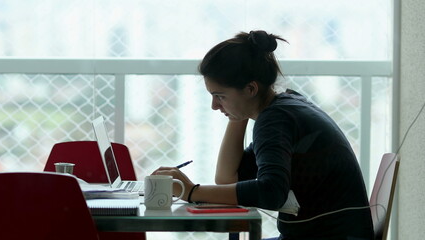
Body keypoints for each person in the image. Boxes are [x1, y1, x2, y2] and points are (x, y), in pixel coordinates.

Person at [152, 30, 374, 240]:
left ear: (250, 89)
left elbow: (271, 192)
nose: (214, 105)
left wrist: (192, 192)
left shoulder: (275, 120)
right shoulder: (284, 106)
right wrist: (237, 114)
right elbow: (229, 177)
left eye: (220, 96)